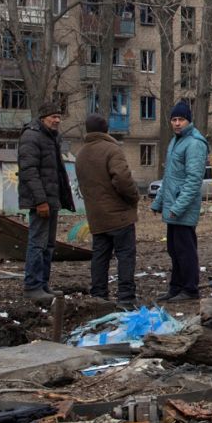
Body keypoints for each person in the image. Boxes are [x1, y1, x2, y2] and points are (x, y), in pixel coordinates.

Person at [75, 113, 139, 307]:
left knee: (100, 256)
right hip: (119, 215)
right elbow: (123, 179)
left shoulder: (81, 154)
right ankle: (126, 296)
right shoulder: (112, 150)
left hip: (96, 216)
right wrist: (133, 197)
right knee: (125, 255)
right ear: (106, 130)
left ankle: (99, 296)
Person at [149, 101, 207, 303]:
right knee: (174, 249)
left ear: (188, 121)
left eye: (180, 119)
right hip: (173, 207)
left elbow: (193, 181)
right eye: (174, 119)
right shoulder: (176, 141)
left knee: (185, 250)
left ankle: (190, 289)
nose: (177, 123)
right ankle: (176, 287)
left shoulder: (194, 143)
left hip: (183, 208)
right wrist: (158, 202)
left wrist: (177, 207)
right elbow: (169, 177)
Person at [17, 102, 75, 302]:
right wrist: (40, 201)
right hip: (40, 201)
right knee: (37, 243)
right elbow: (29, 171)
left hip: (52, 199)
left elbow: (56, 172)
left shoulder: (51, 137)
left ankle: (43, 284)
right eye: (53, 116)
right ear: (43, 118)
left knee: (49, 245)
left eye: (59, 116)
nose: (57, 120)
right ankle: (32, 286)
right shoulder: (32, 136)